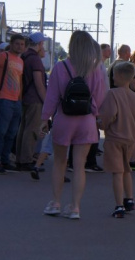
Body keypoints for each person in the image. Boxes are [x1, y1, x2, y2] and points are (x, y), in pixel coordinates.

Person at [41, 31, 106, 219]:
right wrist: (95, 113)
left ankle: (55, 202)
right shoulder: (95, 69)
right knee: (79, 165)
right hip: (86, 121)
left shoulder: (60, 68)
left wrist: (44, 118)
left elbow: (52, 97)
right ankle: (75, 207)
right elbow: (100, 98)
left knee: (60, 163)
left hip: (64, 118)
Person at [98, 61, 135, 218]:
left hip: (114, 139)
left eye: (113, 75)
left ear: (118, 76)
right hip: (131, 140)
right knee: (127, 170)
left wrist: (100, 124)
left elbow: (108, 115)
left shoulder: (112, 94)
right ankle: (129, 199)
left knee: (117, 173)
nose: (113, 78)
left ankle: (119, 205)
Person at [0, 34, 26, 174]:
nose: (19, 46)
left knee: (11, 133)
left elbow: (19, 80)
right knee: (1, 132)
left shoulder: (20, 61)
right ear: (12, 44)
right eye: (17, 43)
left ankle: (5, 160)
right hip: (4, 98)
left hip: (16, 101)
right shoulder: (3, 56)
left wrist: (20, 98)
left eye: (22, 44)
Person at [16, 32, 48, 171]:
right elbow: (39, 84)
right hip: (35, 100)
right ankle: (26, 160)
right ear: (40, 43)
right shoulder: (35, 60)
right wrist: (47, 102)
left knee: (23, 129)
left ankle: (20, 158)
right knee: (32, 130)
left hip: (24, 98)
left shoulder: (25, 56)